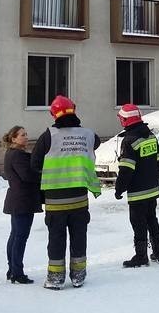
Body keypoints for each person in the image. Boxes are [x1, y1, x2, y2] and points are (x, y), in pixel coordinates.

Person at [30, 95, 101, 290]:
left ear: (54, 114)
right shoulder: (88, 135)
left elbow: (35, 164)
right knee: (79, 237)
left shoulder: (48, 136)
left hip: (55, 201)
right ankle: (78, 275)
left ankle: (55, 278)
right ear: (74, 111)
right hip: (79, 198)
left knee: (56, 238)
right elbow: (95, 144)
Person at [114, 103, 159, 267]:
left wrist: (119, 189)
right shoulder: (150, 136)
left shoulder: (129, 141)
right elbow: (158, 161)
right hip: (152, 189)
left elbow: (126, 170)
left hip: (137, 193)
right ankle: (158, 253)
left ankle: (141, 256)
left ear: (125, 120)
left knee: (138, 223)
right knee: (152, 220)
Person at [1, 125, 42, 285]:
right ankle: (17, 272)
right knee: (20, 237)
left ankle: (12, 269)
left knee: (15, 235)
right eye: (22, 135)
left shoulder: (12, 154)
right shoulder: (18, 155)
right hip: (23, 200)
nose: (26, 137)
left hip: (18, 200)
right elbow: (27, 175)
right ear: (14, 139)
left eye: (26, 134)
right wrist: (42, 173)